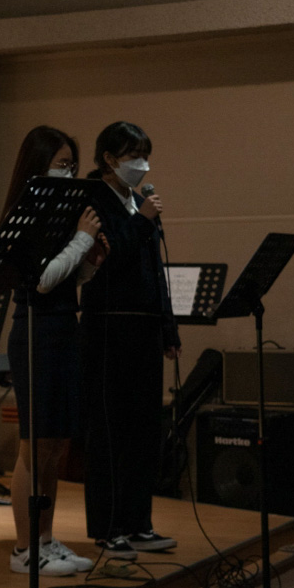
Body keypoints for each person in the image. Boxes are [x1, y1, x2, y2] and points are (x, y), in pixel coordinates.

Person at [1, 127, 107, 577]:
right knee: (34, 444)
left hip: (64, 326)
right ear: (38, 164)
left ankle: (46, 539)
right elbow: (42, 281)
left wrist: (90, 262)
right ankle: (24, 549)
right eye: (62, 164)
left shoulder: (61, 214)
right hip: (36, 332)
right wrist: (82, 239)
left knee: (56, 445)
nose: (69, 172)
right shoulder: (26, 215)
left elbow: (65, 279)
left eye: (72, 165)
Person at [80, 120, 180, 557]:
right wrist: (142, 221)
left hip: (144, 328)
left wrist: (168, 327)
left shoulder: (138, 203)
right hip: (107, 328)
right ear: (108, 158)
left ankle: (139, 523)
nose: (142, 164)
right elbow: (108, 255)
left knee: (143, 431)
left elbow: (155, 269)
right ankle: (108, 528)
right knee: (109, 432)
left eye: (145, 156)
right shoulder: (92, 199)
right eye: (134, 156)